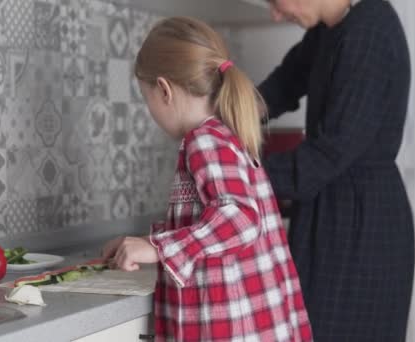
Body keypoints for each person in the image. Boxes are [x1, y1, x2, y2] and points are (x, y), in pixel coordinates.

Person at [101, 16, 313, 341]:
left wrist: (158, 248)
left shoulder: (204, 141)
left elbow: (240, 218)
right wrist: (146, 243)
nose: (151, 111)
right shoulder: (227, 134)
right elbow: (216, 221)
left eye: (147, 100)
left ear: (164, 90)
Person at [258, 0, 415, 341]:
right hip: (331, 211)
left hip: (361, 225)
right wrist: (230, 114)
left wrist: (243, 175)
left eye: (274, 0)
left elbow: (329, 153)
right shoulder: (331, 30)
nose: (275, 14)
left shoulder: (369, 32)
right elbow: (284, 84)